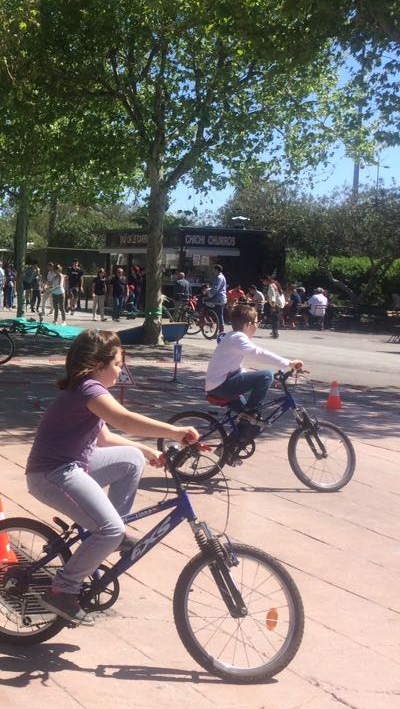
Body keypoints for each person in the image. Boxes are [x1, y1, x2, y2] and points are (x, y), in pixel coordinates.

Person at [25, 330, 200, 624]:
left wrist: (144, 450)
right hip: (52, 473)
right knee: (110, 529)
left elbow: (104, 438)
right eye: (118, 363)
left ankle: (111, 533)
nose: (121, 369)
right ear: (97, 364)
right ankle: (62, 589)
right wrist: (175, 431)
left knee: (131, 461)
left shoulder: (86, 391)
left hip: (73, 465)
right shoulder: (89, 390)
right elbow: (125, 420)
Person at [205, 302, 305, 446]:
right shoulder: (238, 337)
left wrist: (273, 377)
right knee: (265, 376)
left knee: (254, 422)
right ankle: (248, 414)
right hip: (220, 386)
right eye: (257, 322)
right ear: (248, 324)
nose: (257, 326)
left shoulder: (232, 337)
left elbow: (237, 369)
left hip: (219, 385)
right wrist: (288, 363)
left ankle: (227, 449)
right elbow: (258, 353)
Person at [204, 264, 227, 334]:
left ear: (217, 270)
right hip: (221, 298)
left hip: (218, 298)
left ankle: (207, 321)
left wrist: (208, 292)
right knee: (219, 314)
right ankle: (220, 329)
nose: (212, 271)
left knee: (204, 302)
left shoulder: (219, 278)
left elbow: (215, 289)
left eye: (213, 269)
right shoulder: (220, 277)